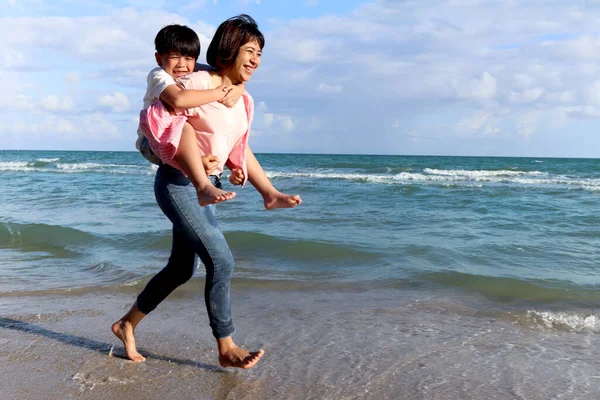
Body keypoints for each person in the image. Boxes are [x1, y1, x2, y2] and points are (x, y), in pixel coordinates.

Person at [112, 14, 302, 369]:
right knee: (222, 260)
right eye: (249, 50)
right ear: (230, 48)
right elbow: (162, 122)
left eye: (260, 53)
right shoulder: (193, 81)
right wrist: (196, 159)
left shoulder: (244, 99)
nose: (256, 60)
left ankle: (126, 324)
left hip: (203, 186)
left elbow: (239, 144)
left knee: (180, 269)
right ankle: (226, 345)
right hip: (178, 183)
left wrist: (256, 181)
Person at [135, 24, 245, 205]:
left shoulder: (194, 69)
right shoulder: (158, 75)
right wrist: (219, 93)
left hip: (178, 142)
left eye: (188, 58)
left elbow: (226, 75)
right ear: (158, 58)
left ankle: (213, 164)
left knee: (205, 123)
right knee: (183, 126)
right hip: (152, 140)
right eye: (174, 57)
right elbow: (178, 99)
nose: (182, 64)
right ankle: (202, 186)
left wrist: (240, 88)